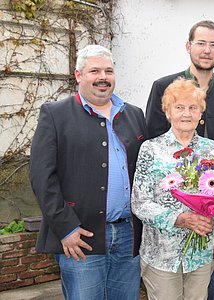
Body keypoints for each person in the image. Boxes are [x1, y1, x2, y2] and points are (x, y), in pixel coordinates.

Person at [29, 44, 146, 299]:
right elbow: (41, 177)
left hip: (128, 236)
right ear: (79, 75)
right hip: (81, 236)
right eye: (95, 71)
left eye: (108, 71)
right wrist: (66, 228)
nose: (103, 77)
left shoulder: (134, 114)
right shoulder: (55, 114)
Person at [131, 78, 214, 300]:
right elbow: (139, 203)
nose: (186, 114)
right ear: (168, 112)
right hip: (162, 255)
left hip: (200, 255)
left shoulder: (212, 150)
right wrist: (180, 219)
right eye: (179, 107)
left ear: (201, 113)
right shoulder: (151, 149)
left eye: (193, 108)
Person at [145, 19, 214, 150]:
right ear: (188, 46)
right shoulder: (163, 87)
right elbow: (153, 138)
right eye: (201, 43)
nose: (207, 50)